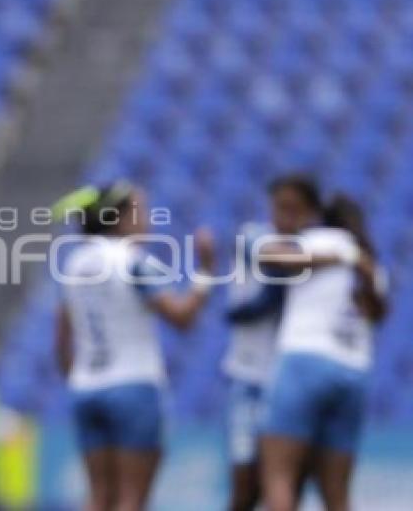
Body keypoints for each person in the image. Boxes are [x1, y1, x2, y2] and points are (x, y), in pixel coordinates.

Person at [54, 181, 215, 511]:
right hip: (134, 386)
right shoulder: (134, 261)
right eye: (141, 211)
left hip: (87, 388)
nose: (147, 220)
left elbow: (61, 339)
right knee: (131, 499)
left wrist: (79, 378)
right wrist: (206, 273)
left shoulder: (73, 264)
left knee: (98, 496)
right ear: (120, 218)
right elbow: (182, 318)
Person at [258, 176, 387, 511]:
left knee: (280, 478)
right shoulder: (370, 261)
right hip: (353, 372)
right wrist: (357, 263)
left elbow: (267, 255)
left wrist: (338, 256)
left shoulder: (319, 240)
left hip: (304, 361)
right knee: (337, 494)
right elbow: (377, 314)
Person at [222, 219, 286, 511]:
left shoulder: (311, 246)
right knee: (244, 482)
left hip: (285, 380)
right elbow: (272, 283)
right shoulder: (254, 235)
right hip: (246, 376)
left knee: (278, 483)